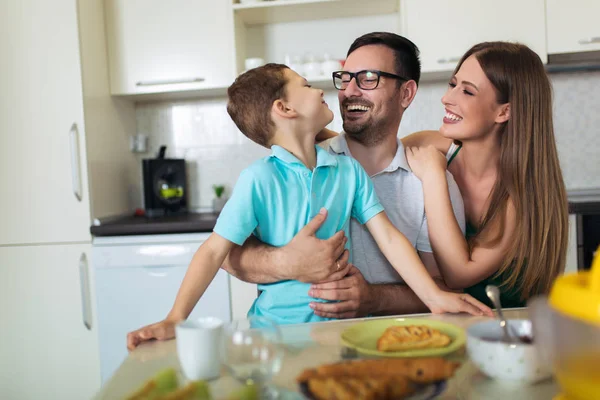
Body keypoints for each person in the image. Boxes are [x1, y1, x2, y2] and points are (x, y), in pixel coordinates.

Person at [126, 63, 491, 350]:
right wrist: (176, 317)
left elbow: (390, 239)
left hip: (341, 333)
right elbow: (213, 253)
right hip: (272, 336)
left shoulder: (347, 171)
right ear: (284, 108)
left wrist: (434, 298)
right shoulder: (258, 179)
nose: (319, 89)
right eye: (305, 85)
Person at [223, 32, 485, 318]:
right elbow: (224, 255)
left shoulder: (432, 182)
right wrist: (286, 261)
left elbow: (442, 290)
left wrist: (374, 298)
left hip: (396, 343)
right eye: (345, 78)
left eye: (368, 78)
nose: (350, 91)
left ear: (406, 93)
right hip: (302, 341)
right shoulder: (300, 165)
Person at [404, 41, 569, 308]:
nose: (447, 98)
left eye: (467, 92)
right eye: (452, 84)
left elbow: (458, 274)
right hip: (451, 322)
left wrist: (434, 175)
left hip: (508, 331)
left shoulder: (519, 196)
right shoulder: (431, 144)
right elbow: (367, 154)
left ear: (504, 111)